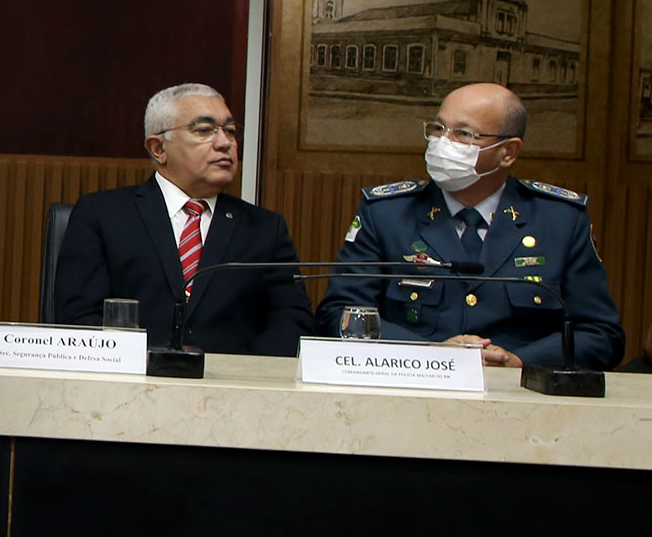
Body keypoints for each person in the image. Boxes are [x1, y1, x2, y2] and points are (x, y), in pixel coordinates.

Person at [318, 82, 624, 369]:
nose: (442, 142)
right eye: (438, 129)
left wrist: (519, 362)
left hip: (523, 395)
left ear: (508, 152)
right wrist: (430, 356)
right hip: (412, 385)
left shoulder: (560, 220)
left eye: (464, 134)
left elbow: (601, 335)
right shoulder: (386, 214)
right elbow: (339, 315)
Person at [52, 84, 314, 354]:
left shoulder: (265, 229)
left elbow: (292, 320)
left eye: (230, 131)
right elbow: (78, 317)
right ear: (158, 148)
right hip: (129, 376)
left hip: (233, 378)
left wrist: (246, 373)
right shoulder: (103, 215)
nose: (225, 143)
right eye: (204, 130)